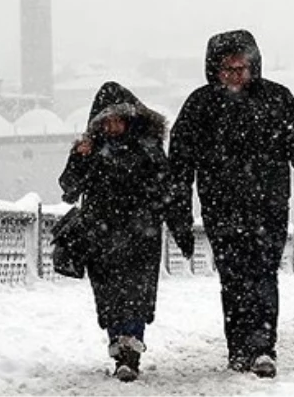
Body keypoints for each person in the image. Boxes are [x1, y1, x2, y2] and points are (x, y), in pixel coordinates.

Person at [169, 30, 294, 379]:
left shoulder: (276, 99)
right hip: (221, 207)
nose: (235, 75)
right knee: (233, 277)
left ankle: (262, 347)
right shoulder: (200, 106)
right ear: (215, 69)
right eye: (228, 69)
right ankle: (239, 348)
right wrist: (179, 210)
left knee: (262, 274)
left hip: (268, 205)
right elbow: (179, 163)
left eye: (241, 68)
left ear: (253, 67)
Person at [58, 81, 195, 382]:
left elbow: (168, 192)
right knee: (108, 296)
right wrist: (79, 158)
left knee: (135, 293)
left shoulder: (148, 149)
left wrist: (181, 228)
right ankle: (118, 344)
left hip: (140, 236)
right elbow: (69, 189)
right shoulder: (91, 150)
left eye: (119, 119)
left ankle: (129, 351)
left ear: (132, 118)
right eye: (107, 120)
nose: (114, 126)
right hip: (101, 236)